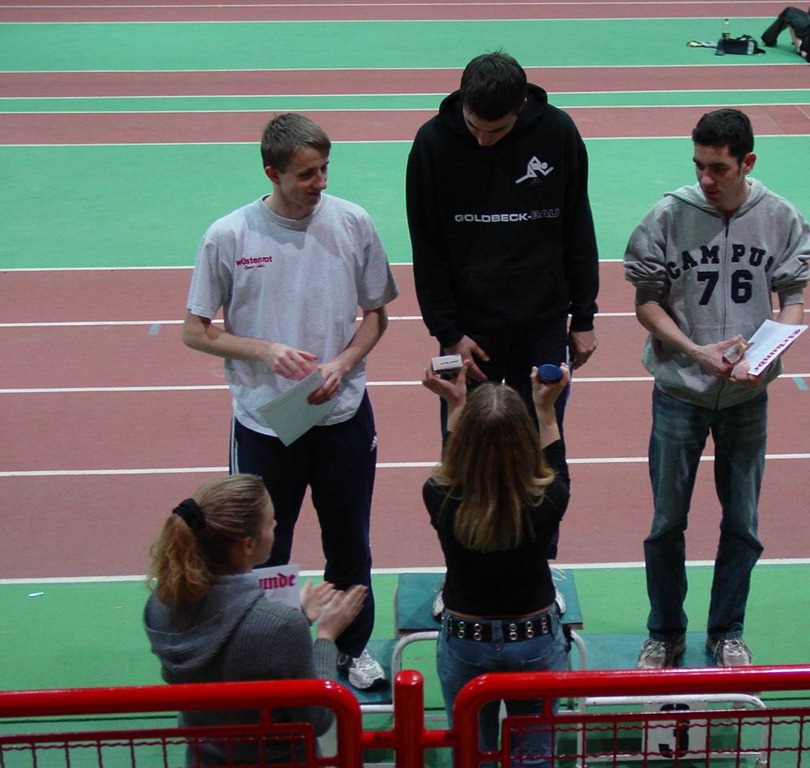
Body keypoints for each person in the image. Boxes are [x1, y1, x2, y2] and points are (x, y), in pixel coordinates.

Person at [182, 112, 399, 690]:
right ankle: (269, 656)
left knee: (349, 543)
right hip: (265, 424)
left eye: (324, 169)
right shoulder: (229, 235)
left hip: (342, 415)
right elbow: (195, 331)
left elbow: (376, 315)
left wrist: (344, 363)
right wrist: (264, 350)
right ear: (271, 172)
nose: (319, 183)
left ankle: (351, 649)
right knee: (261, 550)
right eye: (306, 174)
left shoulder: (353, 222)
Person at [623, 108, 810, 669]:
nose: (706, 178)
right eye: (699, 166)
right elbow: (646, 302)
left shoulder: (779, 217)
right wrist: (695, 350)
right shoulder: (668, 216)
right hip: (680, 393)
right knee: (666, 523)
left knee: (743, 524)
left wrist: (769, 352)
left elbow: (793, 297)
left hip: (747, 399)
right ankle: (664, 633)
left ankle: (727, 631)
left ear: (747, 162)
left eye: (719, 168)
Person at [406, 50, 600, 439]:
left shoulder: (557, 132)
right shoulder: (433, 143)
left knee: (541, 446)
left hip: (542, 325)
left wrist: (583, 318)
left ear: (521, 106)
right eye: (473, 126)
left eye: (496, 131)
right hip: (470, 333)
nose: (482, 140)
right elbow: (426, 247)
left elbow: (578, 226)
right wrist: (447, 333)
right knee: (466, 451)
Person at [144, 474, 368, 766]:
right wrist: (326, 637)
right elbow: (318, 718)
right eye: (270, 522)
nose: (276, 525)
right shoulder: (280, 626)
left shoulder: (159, 605)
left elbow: (231, 652)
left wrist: (296, 617)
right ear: (247, 545)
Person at [421, 359, 572, 765]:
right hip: (535, 638)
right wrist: (545, 409)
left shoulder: (439, 496)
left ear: (465, 442)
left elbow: (451, 472)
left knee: (472, 754)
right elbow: (556, 466)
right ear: (524, 440)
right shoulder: (550, 497)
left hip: (465, 639)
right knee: (534, 758)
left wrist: (456, 405)